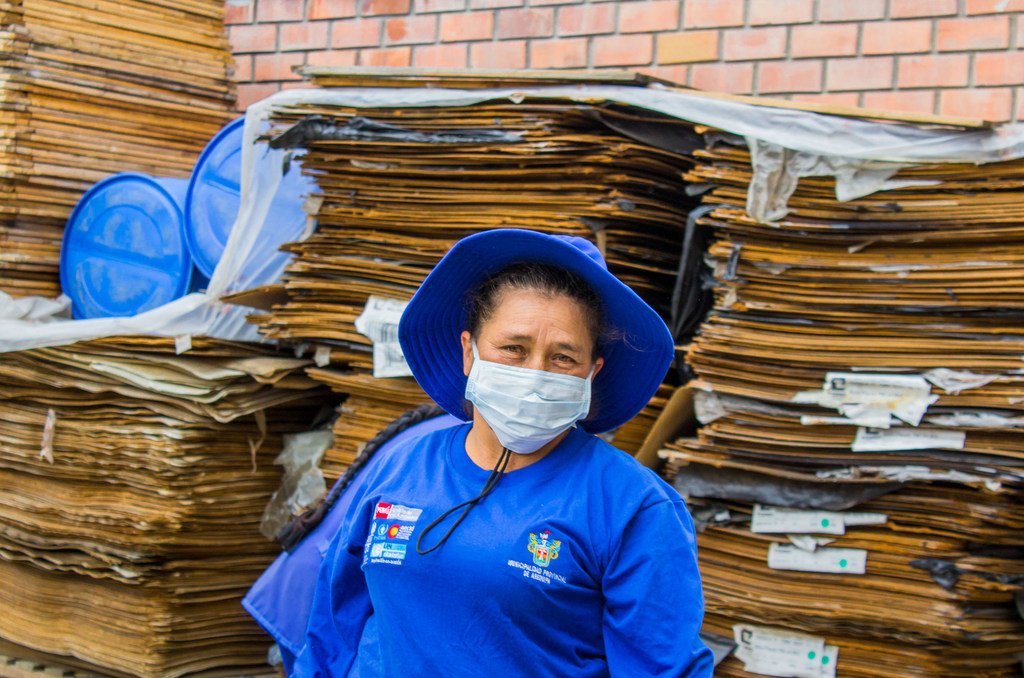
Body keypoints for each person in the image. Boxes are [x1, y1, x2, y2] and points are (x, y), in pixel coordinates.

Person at [291, 228, 712, 677]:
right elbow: (334, 625)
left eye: (562, 358)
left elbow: (664, 667)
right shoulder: (402, 466)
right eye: (513, 349)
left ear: (592, 372)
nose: (535, 374)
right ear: (469, 352)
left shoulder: (632, 506)